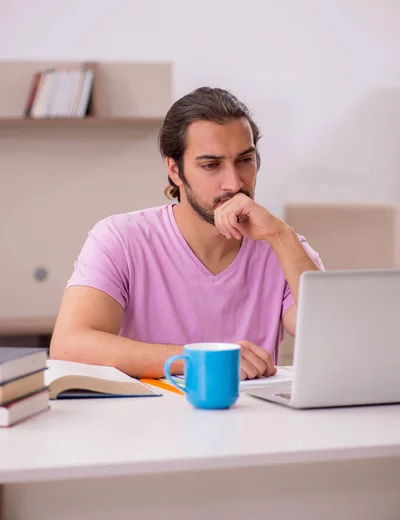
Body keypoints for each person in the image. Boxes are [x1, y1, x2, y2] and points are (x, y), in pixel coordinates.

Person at [50, 87, 324, 380]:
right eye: (211, 165)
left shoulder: (282, 245)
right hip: (144, 419)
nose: (233, 183)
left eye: (245, 160)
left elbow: (330, 336)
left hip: (253, 419)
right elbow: (69, 346)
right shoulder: (120, 238)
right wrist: (199, 358)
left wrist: (281, 234)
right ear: (175, 171)